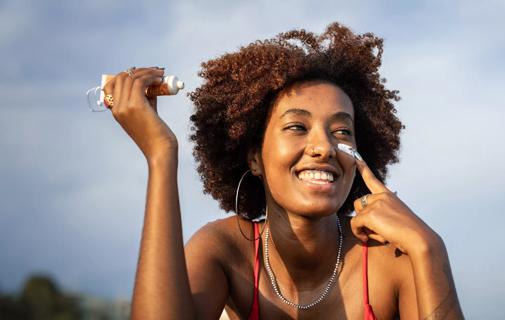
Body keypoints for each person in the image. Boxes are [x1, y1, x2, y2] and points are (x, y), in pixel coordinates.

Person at [102, 22, 464, 319]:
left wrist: (429, 246)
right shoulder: (226, 251)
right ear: (254, 158)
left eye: (342, 132)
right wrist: (161, 155)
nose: (323, 147)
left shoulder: (393, 258)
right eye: (297, 127)